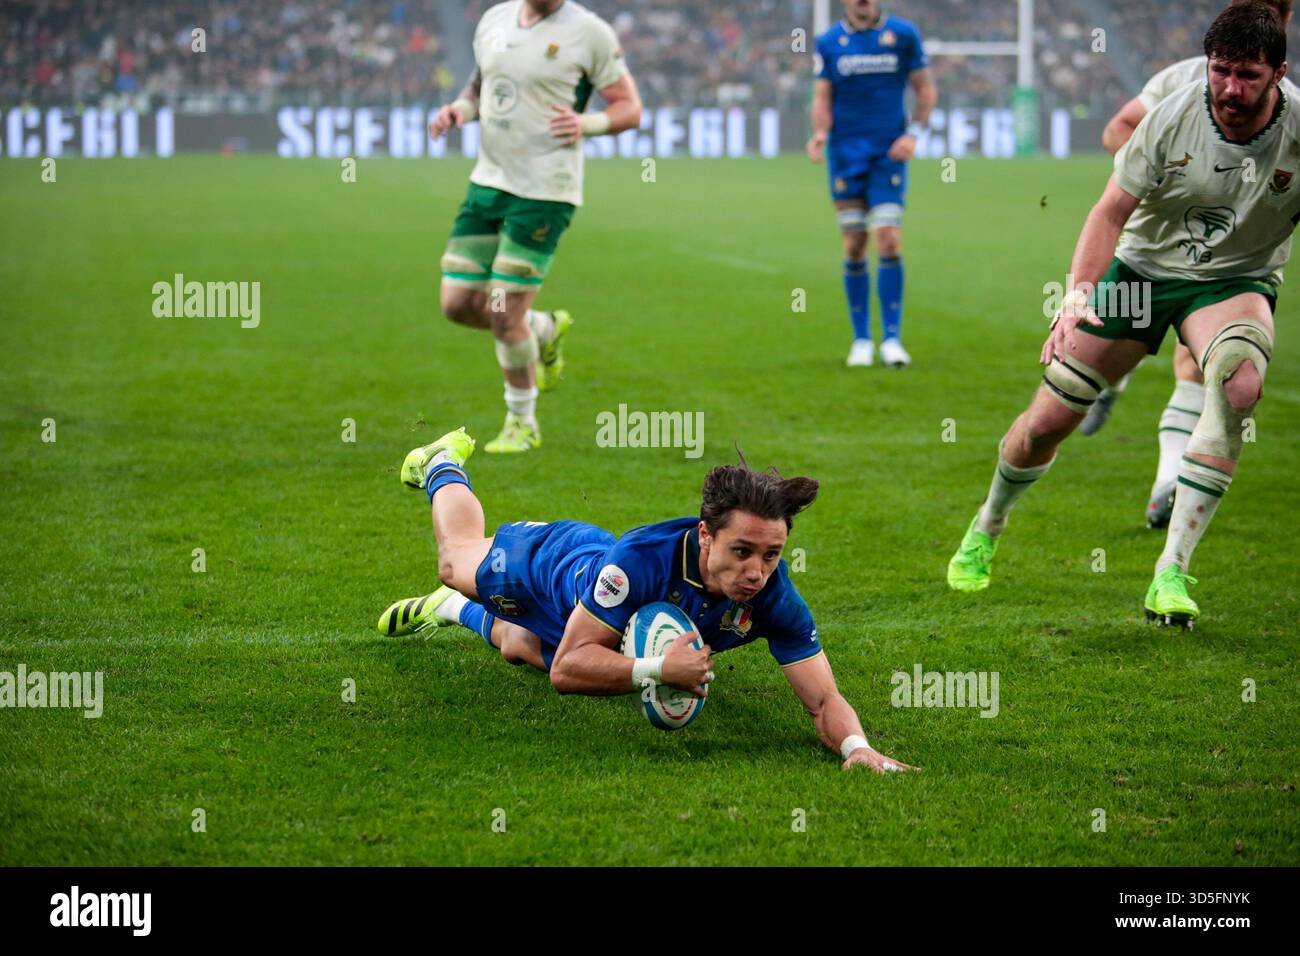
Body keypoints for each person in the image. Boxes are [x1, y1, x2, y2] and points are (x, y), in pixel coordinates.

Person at [947, 1, 1289, 630]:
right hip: (1143, 273)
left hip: (1231, 281)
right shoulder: (1172, 115)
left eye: (1247, 75)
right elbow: (1108, 212)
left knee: (1238, 383)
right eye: (1221, 71)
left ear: (1279, 73)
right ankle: (988, 523)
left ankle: (1172, 571)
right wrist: (1077, 298)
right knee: (1048, 422)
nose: (1230, 89)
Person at [377, 426, 918, 773]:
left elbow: (824, 701)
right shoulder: (642, 559)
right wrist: (658, 668)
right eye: (743, 551)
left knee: (520, 645)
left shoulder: (774, 597)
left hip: (593, 617)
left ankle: (450, 612)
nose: (756, 571)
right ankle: (442, 463)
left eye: (772, 554)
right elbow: (568, 670)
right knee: (456, 561)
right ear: (707, 537)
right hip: (557, 567)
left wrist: (858, 748)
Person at [1085, 0, 1294, 531]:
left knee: (1203, 363)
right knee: (1111, 356)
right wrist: (1165, 180)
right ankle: (1110, 385)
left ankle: (1166, 482)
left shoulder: (1282, 100)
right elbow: (1118, 130)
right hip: (1154, 248)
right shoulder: (1184, 80)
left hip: (1226, 260)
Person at [429, 0, 642, 453]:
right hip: (488, 183)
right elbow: (481, 86)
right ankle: (542, 328)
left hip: (546, 189)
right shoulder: (494, 20)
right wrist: (458, 111)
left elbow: (630, 108)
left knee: (505, 313)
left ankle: (522, 422)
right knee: (456, 303)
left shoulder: (589, 32)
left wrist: (588, 122)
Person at [807, 0, 936, 368]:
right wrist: (819, 133)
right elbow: (822, 97)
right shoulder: (829, 42)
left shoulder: (903, 35)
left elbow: (925, 89)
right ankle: (862, 339)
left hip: (888, 155)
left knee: (888, 238)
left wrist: (913, 133)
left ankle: (892, 339)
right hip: (846, 155)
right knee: (854, 244)